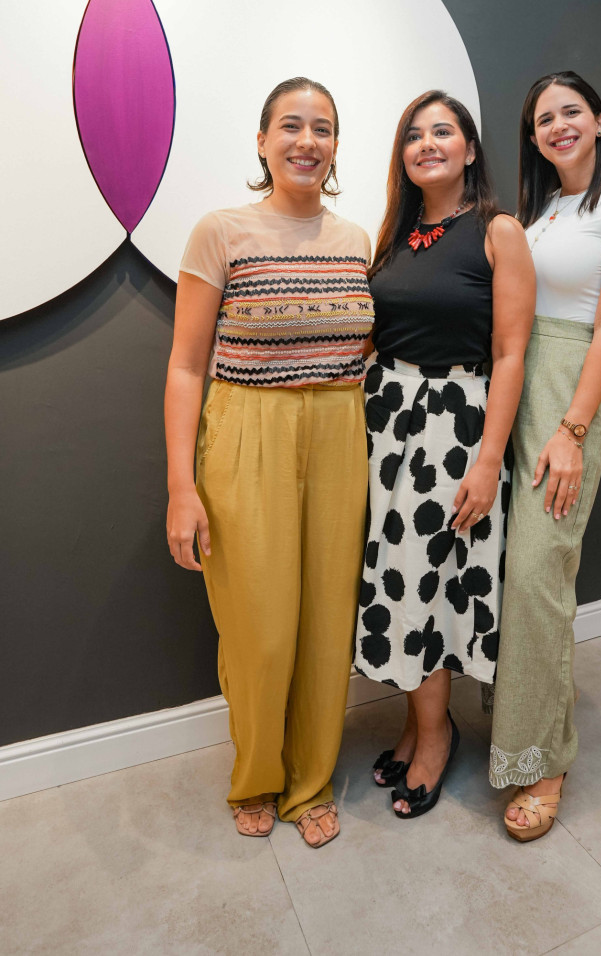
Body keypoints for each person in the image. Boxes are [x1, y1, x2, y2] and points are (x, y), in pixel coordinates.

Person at [164, 77, 373, 848]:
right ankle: (256, 776)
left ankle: (311, 783)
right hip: (247, 431)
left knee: (325, 623)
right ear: (262, 141)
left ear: (336, 147)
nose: (306, 141)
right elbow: (186, 365)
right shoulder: (221, 231)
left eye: (322, 128)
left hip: (339, 430)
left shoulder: (356, 240)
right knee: (258, 629)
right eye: (291, 126)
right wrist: (182, 484)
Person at [354, 90, 536, 819]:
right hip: (385, 423)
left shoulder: (499, 231)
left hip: (455, 428)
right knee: (397, 585)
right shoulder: (395, 233)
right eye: (414, 135)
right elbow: (372, 332)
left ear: (468, 148)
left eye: (443, 131)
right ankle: (417, 722)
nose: (428, 144)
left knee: (430, 587)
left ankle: (436, 738)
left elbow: (512, 352)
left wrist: (490, 458)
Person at [489, 71, 601, 841]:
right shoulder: (543, 211)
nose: (557, 126)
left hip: (569, 392)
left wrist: (573, 429)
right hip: (516, 384)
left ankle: (545, 757)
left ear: (599, 118)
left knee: (538, 572)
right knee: (505, 569)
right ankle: (513, 716)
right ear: (532, 139)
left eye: (570, 113)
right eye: (542, 120)